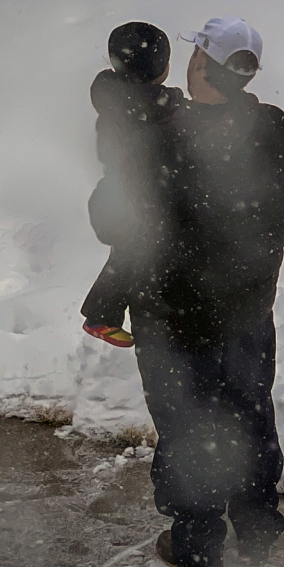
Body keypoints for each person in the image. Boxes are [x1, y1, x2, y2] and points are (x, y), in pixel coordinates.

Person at [129, 16, 284, 567]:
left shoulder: (168, 136)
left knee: (188, 427)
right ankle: (256, 530)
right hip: (249, 310)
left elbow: (127, 222)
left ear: (200, 61)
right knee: (249, 415)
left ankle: (197, 547)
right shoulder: (274, 127)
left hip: (176, 315)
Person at [82, 21, 184, 347]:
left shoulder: (113, 97)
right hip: (141, 188)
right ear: (163, 68)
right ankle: (101, 314)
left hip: (121, 184)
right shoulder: (152, 106)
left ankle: (102, 314)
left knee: (127, 253)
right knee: (135, 253)